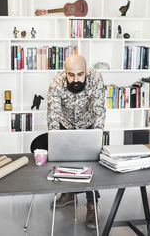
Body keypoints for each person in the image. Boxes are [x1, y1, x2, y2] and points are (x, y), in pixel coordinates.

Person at [47, 53, 106, 229]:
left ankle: (91, 204)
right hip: (66, 124)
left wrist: (96, 136)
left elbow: (99, 109)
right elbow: (53, 116)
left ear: (86, 71)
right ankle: (69, 194)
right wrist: (56, 142)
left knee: (90, 162)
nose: (76, 79)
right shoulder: (56, 83)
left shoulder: (95, 78)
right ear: (65, 72)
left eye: (80, 74)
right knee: (66, 160)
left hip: (88, 124)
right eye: (71, 75)